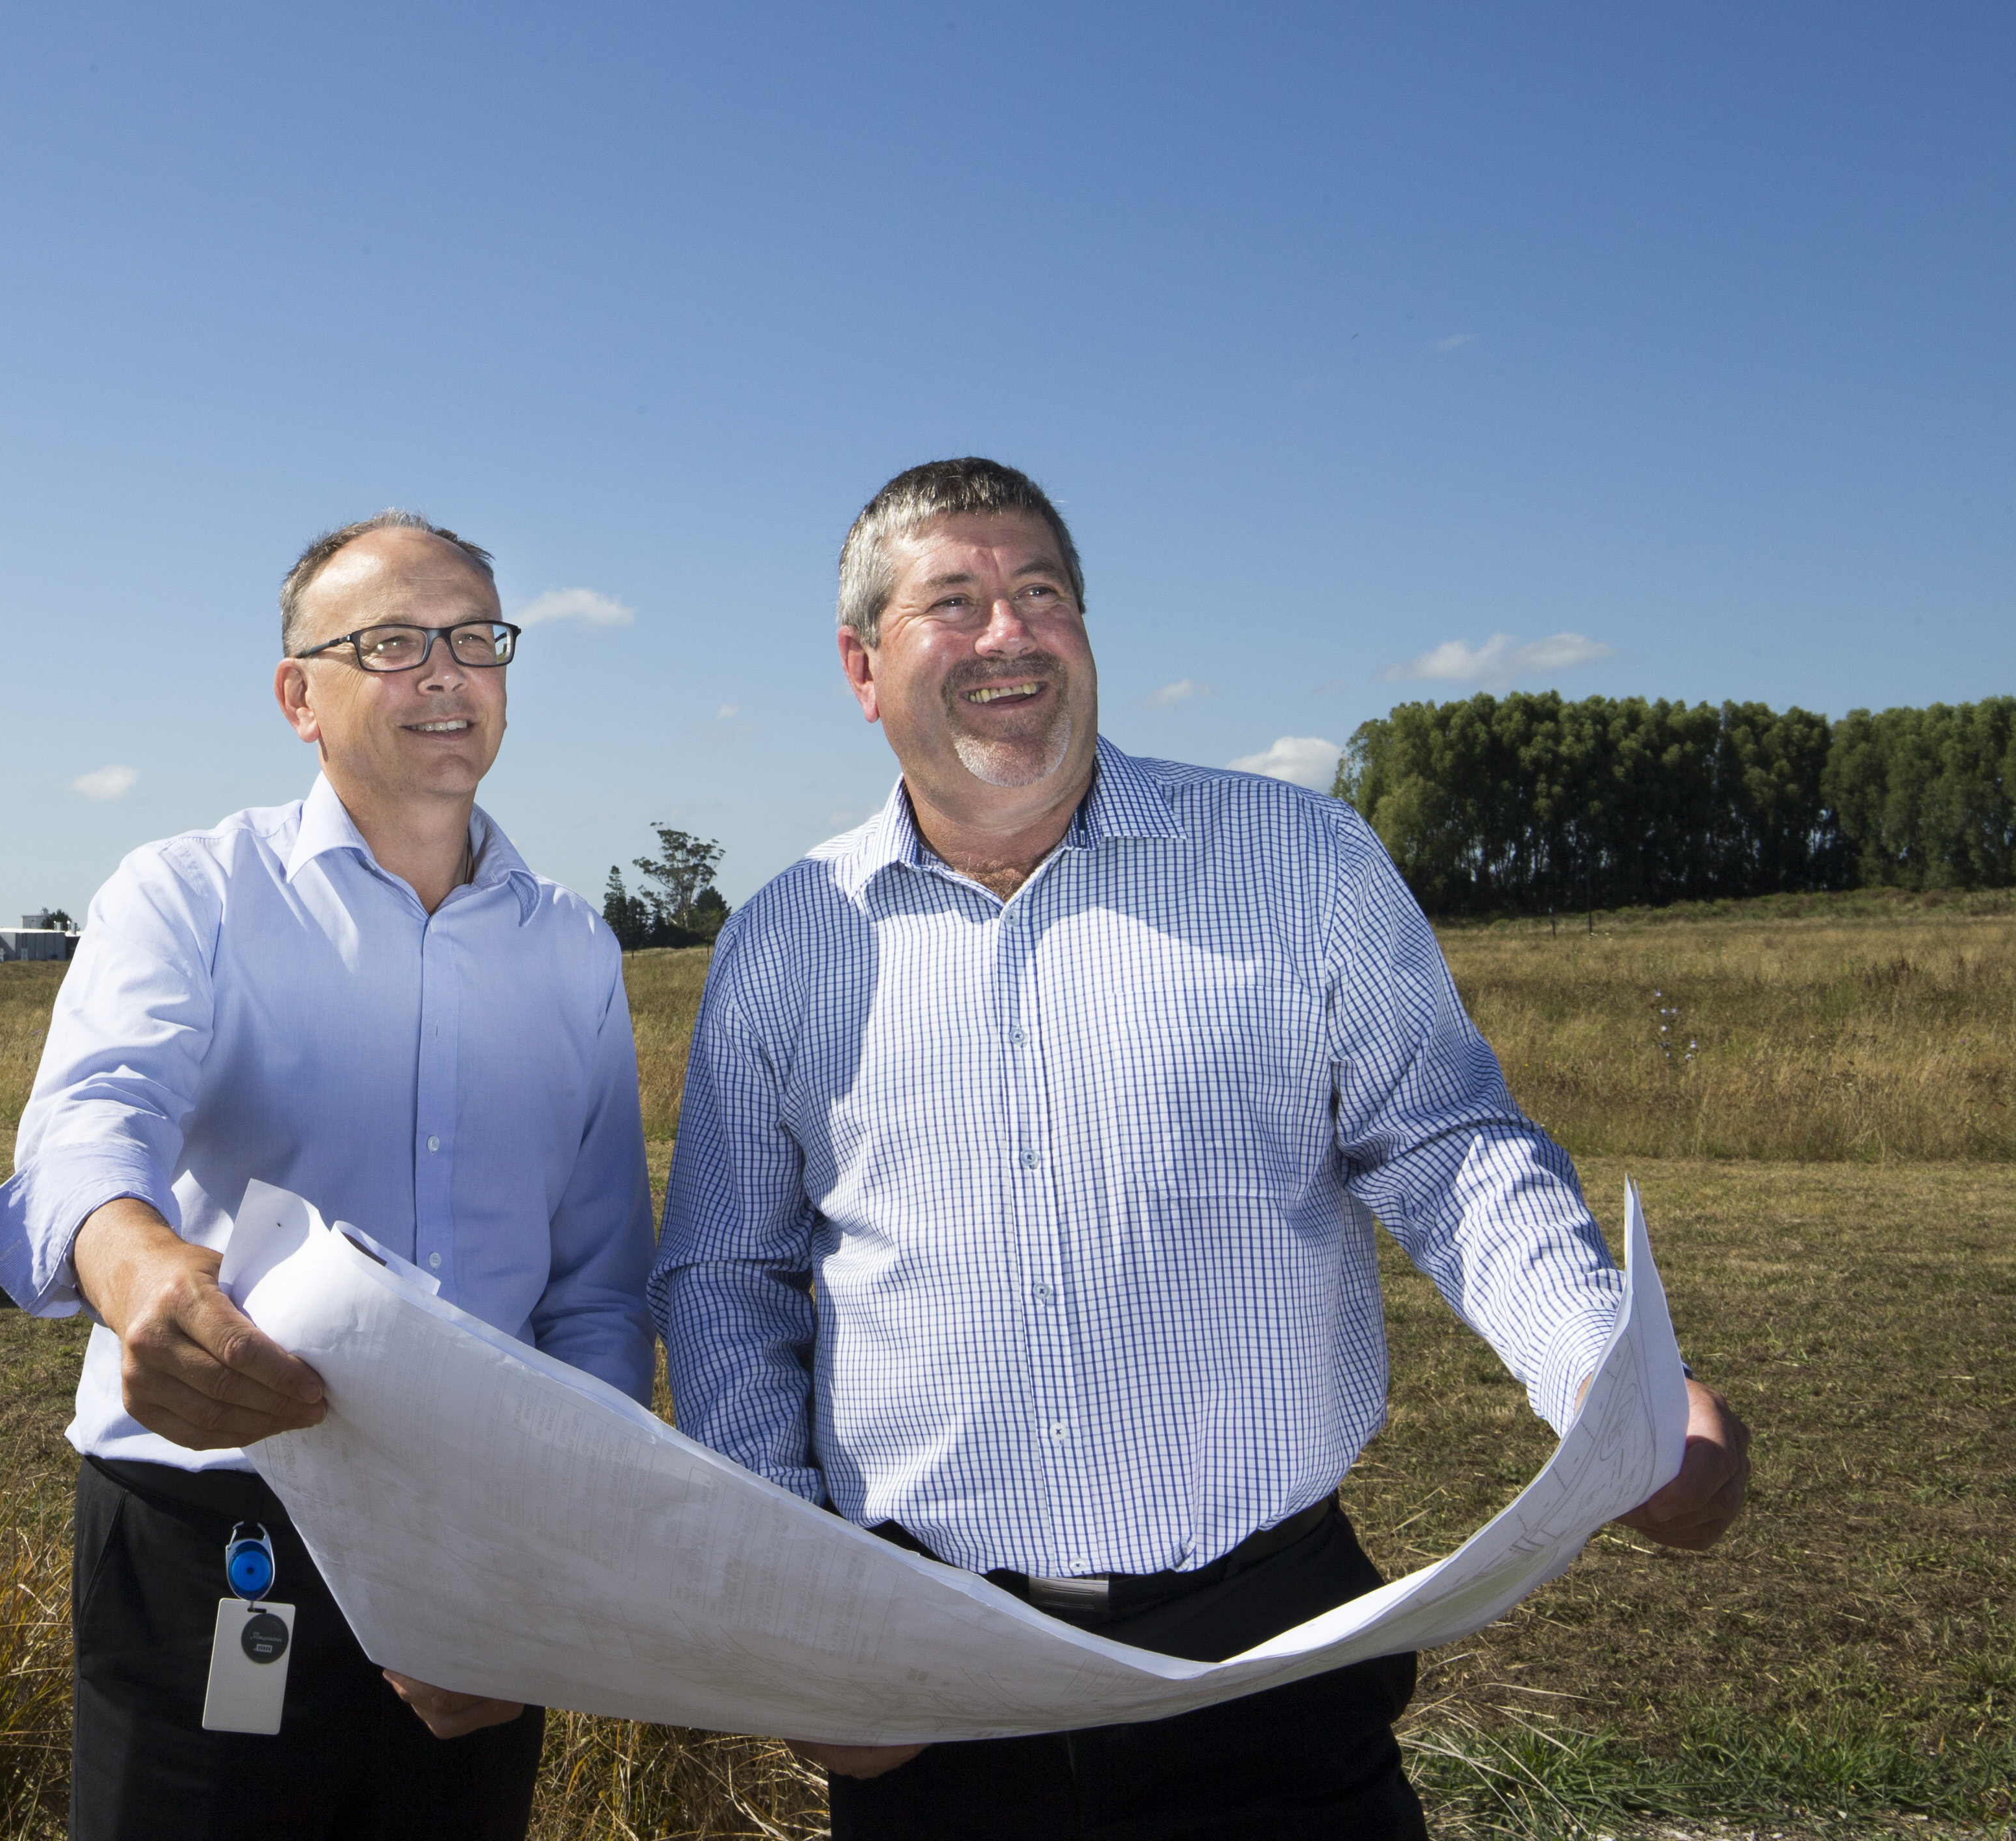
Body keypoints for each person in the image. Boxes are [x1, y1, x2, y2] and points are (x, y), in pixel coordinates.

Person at [650, 458, 1750, 1841]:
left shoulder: (1300, 862)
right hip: (927, 1676)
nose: (1011, 633)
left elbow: (1449, 1149)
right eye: (956, 602)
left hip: (1271, 1659)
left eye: (1043, 593)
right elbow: (727, 1275)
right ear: (862, 668)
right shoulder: (784, 940)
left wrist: (1609, 1375)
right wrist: (795, 1597)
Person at [0, 510, 653, 1841]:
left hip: (483, 1540)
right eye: (394, 642)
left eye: (475, 638)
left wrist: (551, 1549)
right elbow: (89, 1127)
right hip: (213, 1520)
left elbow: (599, 1290)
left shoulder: (574, 950)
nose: (447, 673)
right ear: (300, 697)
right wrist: (139, 1271)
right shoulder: (188, 895)